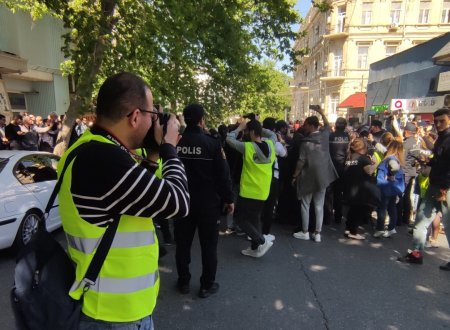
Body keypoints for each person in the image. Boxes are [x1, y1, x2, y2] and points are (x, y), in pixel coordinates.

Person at [58, 72, 190, 329]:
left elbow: (135, 201)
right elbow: (178, 203)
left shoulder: (87, 147)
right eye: (152, 115)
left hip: (112, 308)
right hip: (114, 315)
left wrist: (152, 155)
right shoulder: (102, 158)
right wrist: (170, 149)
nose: (155, 123)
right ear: (135, 116)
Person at [175, 103, 234, 298]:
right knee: (209, 246)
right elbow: (223, 174)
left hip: (182, 202)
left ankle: (183, 281)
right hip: (208, 204)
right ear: (202, 120)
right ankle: (206, 285)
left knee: (182, 244)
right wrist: (228, 198)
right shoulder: (212, 143)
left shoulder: (177, 143)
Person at [399, 108, 450, 266]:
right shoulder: (442, 138)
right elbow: (439, 160)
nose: (439, 124)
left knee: (448, 224)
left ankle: (417, 253)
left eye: (442, 120)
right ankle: (416, 253)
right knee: (421, 221)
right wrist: (428, 161)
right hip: (435, 185)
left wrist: (445, 187)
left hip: (445, 187)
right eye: (436, 121)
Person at [226, 118, 276, 258]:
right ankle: (255, 248)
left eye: (248, 131)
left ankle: (261, 241)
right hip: (263, 190)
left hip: (249, 191)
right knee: (254, 219)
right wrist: (257, 127)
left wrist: (239, 128)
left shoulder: (247, 147)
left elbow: (229, 139)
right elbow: (272, 135)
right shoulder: (271, 145)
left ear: (252, 132)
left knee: (240, 219)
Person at [292, 107, 338, 243]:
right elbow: (328, 125)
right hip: (323, 176)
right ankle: (317, 233)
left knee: (305, 204)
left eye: (305, 125)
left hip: (308, 177)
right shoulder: (325, 135)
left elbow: (301, 162)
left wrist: (294, 176)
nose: (304, 127)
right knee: (319, 205)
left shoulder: (305, 143)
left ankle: (305, 232)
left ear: (311, 126)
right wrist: (321, 112)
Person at [343, 138, 379, 239]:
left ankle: (348, 228)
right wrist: (375, 164)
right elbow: (369, 171)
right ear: (363, 148)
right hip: (360, 189)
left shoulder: (349, 157)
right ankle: (353, 232)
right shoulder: (363, 158)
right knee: (358, 210)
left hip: (350, 187)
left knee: (352, 209)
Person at [261, 117, 287, 240]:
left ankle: (253, 232)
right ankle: (265, 233)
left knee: (258, 205)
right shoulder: (275, 143)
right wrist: (281, 141)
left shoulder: (255, 141)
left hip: (257, 177)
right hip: (272, 177)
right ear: (274, 129)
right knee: (269, 206)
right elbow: (284, 153)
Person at [373, 139, 405, 238]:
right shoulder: (397, 158)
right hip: (393, 188)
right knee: (392, 208)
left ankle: (380, 228)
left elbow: (394, 167)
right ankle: (391, 228)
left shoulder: (390, 158)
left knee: (382, 208)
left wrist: (392, 174)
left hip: (385, 187)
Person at [325, 117, 350, 224]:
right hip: (342, 168)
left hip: (330, 167)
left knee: (328, 193)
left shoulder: (331, 136)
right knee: (338, 193)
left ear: (336, 125)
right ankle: (338, 217)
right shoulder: (347, 137)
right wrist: (347, 167)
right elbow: (348, 154)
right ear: (345, 126)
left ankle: (327, 217)